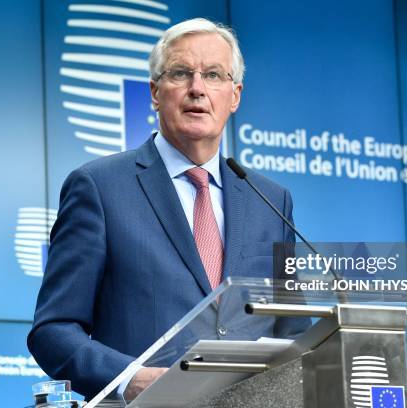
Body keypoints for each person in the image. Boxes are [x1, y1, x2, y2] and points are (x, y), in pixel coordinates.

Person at [28, 18, 298, 402]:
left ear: (235, 96)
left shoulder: (271, 201)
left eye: (214, 75)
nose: (197, 89)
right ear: (155, 92)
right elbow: (53, 331)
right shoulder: (99, 187)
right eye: (181, 73)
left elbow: (295, 331)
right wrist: (129, 379)